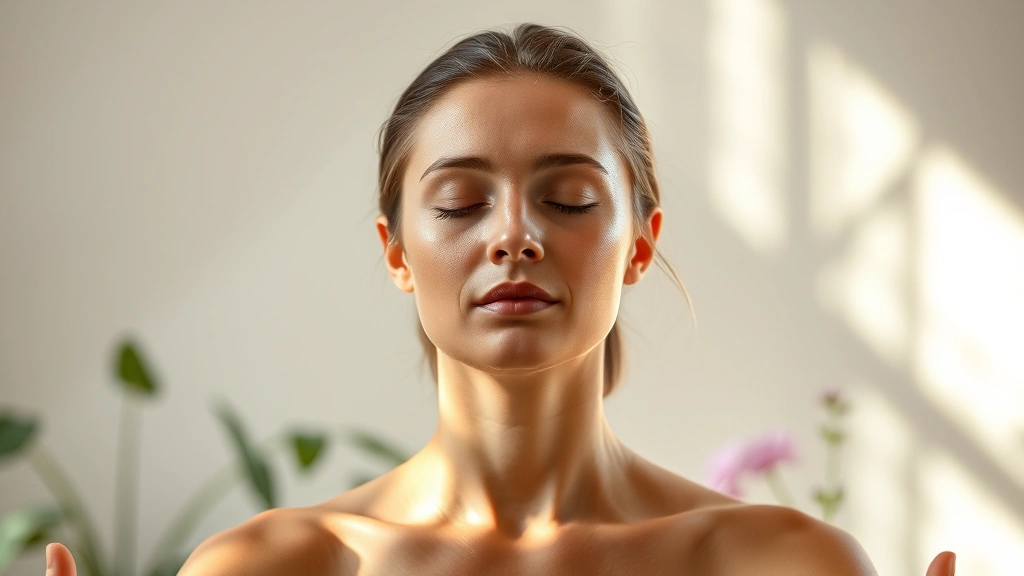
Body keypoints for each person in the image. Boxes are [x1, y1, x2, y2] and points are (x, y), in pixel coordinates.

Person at [43, 23, 957, 576]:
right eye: (458, 203)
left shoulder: (783, 567)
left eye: (567, 200)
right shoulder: (276, 569)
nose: (514, 235)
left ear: (639, 244)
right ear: (396, 251)